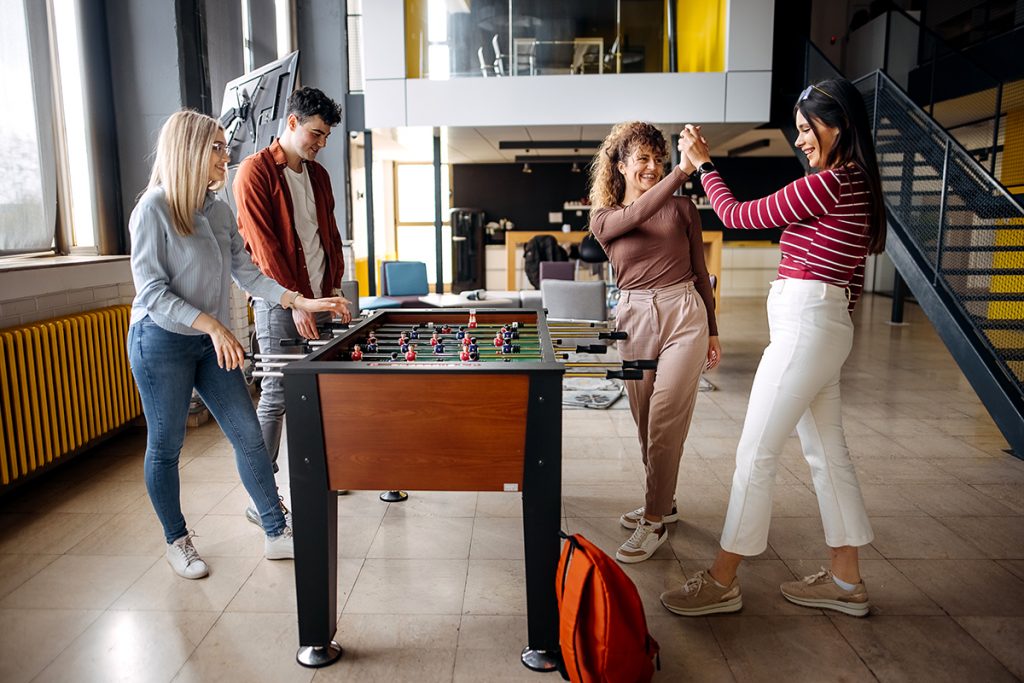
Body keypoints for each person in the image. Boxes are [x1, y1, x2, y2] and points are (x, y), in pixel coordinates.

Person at [661, 77, 886, 616]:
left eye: (810, 129)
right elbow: (850, 280)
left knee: (755, 452)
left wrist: (703, 164)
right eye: (800, 130)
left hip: (807, 327)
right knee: (828, 455)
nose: (802, 139)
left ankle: (722, 580)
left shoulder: (832, 183)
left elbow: (739, 216)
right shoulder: (855, 185)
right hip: (820, 326)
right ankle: (846, 581)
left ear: (843, 126)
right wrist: (830, 327)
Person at [128, 110, 349, 579]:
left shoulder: (217, 210)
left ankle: (275, 530)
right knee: (166, 445)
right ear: (190, 150)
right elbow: (151, 291)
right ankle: (177, 540)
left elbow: (246, 271)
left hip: (211, 342)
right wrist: (212, 325)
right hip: (161, 340)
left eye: (226, 147)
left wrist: (299, 300)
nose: (226, 157)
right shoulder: (153, 209)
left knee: (249, 436)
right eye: (218, 148)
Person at [588, 122, 721, 563]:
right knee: (646, 423)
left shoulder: (683, 209)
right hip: (633, 317)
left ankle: (653, 520)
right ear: (621, 165)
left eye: (657, 158)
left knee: (665, 417)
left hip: (684, 313)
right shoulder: (604, 217)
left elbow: (701, 273)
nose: (651, 166)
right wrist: (680, 172)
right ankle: (664, 500)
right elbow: (636, 215)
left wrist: (714, 330)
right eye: (641, 159)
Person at [233, 87, 350, 524]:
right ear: (293, 122)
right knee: (278, 396)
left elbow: (327, 238)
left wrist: (333, 291)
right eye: (316, 134)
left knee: (324, 389)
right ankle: (260, 496)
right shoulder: (254, 172)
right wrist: (296, 302)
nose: (320, 144)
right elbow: (263, 251)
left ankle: (321, 474)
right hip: (280, 303)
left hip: (322, 297)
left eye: (326, 137)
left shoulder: (317, 176)